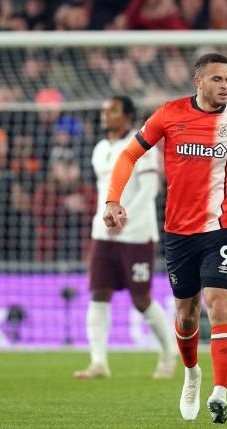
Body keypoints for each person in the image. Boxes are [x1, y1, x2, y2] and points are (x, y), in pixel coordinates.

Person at [102, 53, 227, 424]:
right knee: (186, 315)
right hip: (179, 233)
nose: (225, 86)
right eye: (217, 79)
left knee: (220, 308)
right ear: (198, 82)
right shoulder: (170, 114)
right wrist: (113, 199)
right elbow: (129, 154)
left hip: (220, 231)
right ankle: (192, 374)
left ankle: (220, 393)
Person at [74, 96, 177, 380]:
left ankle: (169, 351)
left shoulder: (142, 146)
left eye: (113, 110)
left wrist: (124, 216)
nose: (105, 115)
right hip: (103, 232)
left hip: (136, 234)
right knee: (99, 292)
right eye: (104, 110)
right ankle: (98, 363)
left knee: (141, 298)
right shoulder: (99, 149)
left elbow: (150, 189)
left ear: (128, 116)